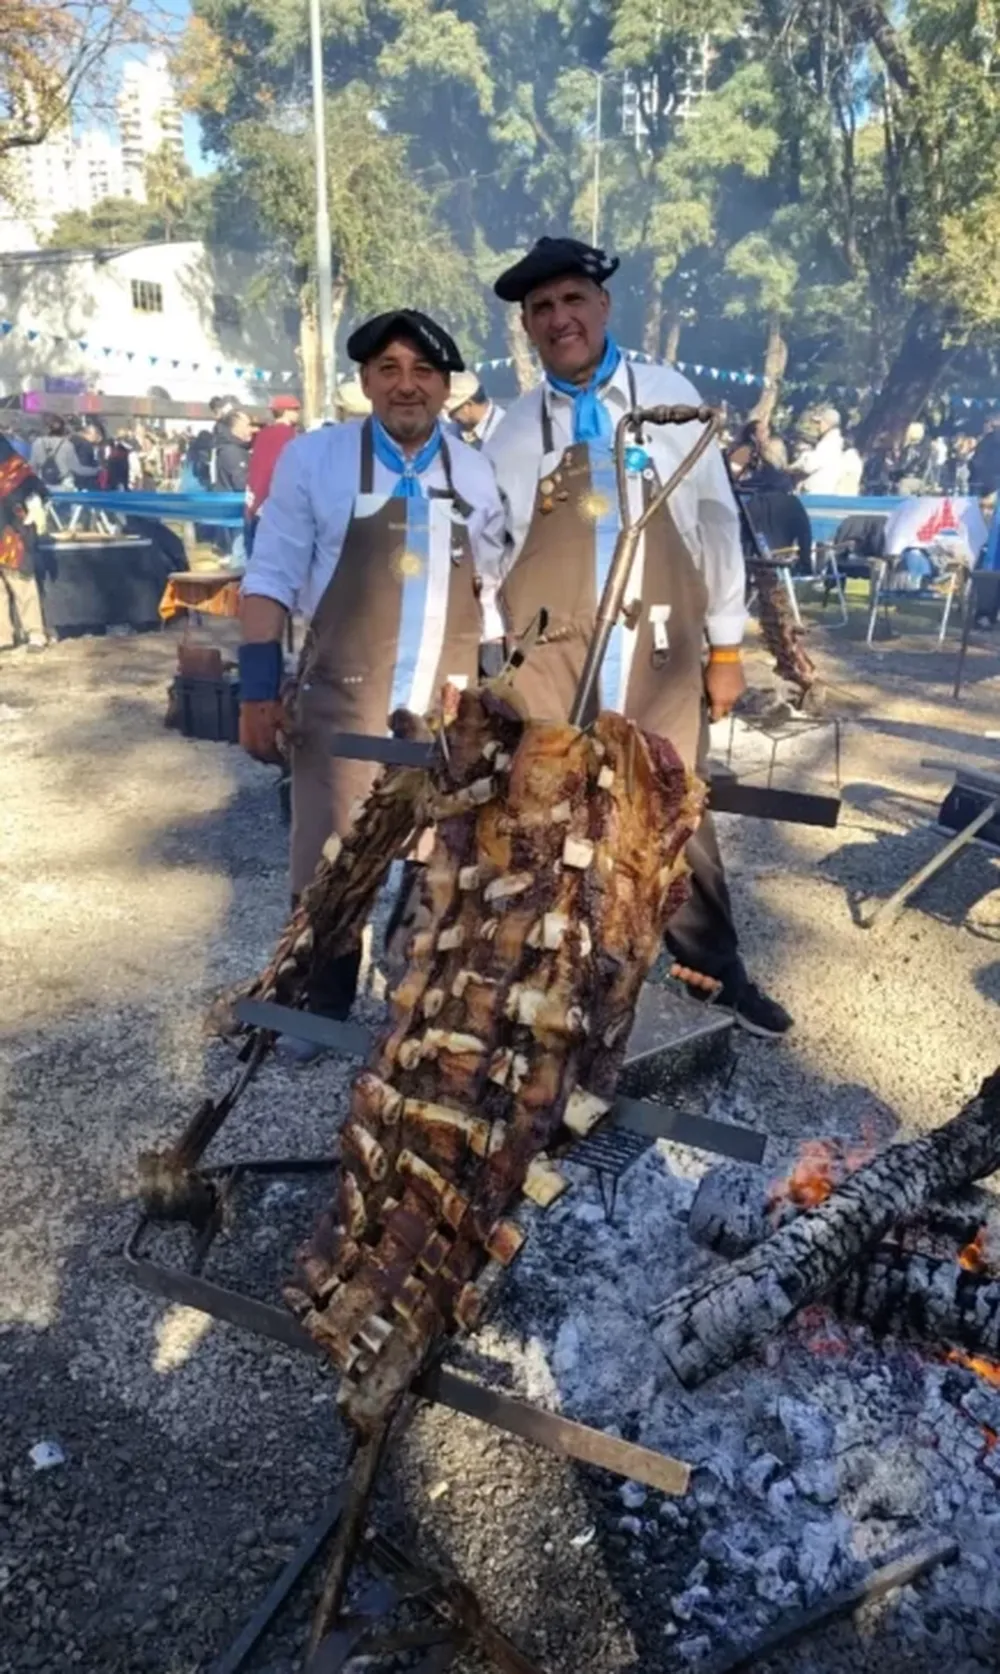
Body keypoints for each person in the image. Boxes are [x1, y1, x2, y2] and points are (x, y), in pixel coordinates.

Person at [486, 234, 792, 1037]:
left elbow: (715, 525)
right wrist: (492, 662)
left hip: (658, 650)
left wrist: (726, 647)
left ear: (603, 304)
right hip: (555, 660)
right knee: (551, 820)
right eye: (542, 308)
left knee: (676, 815)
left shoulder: (669, 396)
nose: (560, 319)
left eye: (572, 301)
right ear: (527, 326)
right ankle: (556, 974)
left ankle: (714, 971)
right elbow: (492, 556)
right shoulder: (513, 432)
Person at [239, 307, 506, 1027]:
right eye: (388, 369)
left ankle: (413, 1008)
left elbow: (496, 595)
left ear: (445, 388)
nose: (406, 386)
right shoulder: (315, 461)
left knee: (437, 871)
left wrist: (498, 698)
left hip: (445, 710)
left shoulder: (475, 475)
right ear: (365, 381)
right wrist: (257, 692)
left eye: (423, 371)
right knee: (328, 867)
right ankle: (318, 1002)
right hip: (343, 707)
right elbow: (267, 578)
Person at [0, 434, 48, 651]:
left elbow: (34, 493)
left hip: (13, 533)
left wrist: (33, 512)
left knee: (22, 583)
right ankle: (3, 637)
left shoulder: (17, 470)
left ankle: (35, 634)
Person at [244, 395, 302, 555]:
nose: (298, 413)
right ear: (285, 411)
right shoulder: (286, 435)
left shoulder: (263, 434)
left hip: (259, 499)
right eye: (295, 409)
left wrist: (253, 502)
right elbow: (272, 468)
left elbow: (257, 468)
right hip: (277, 502)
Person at [445, 371, 506, 449]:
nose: (452, 419)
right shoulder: (453, 431)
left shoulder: (504, 429)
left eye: (452, 414)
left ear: (468, 405)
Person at [30, 415, 81, 488]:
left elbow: (33, 468)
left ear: (46, 428)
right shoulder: (67, 445)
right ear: (62, 429)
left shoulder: (37, 443)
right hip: (64, 486)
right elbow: (76, 468)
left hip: (44, 485)